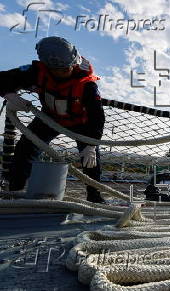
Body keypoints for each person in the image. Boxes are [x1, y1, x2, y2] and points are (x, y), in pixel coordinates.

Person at [0, 36, 106, 203]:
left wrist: (92, 144)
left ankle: (95, 198)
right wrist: (9, 93)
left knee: (91, 161)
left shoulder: (87, 84)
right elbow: (3, 78)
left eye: (71, 66)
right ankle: (15, 192)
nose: (68, 70)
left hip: (82, 123)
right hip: (50, 118)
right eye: (63, 69)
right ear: (49, 67)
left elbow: (97, 116)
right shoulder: (36, 71)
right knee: (25, 148)